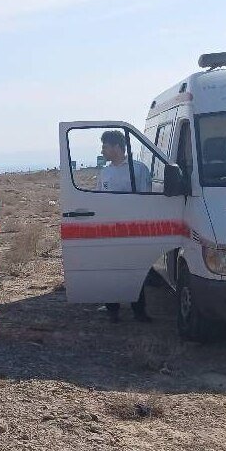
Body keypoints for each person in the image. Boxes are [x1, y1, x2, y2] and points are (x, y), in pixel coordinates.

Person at [97, 130, 152, 323]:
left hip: (133, 230)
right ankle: (113, 310)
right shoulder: (105, 172)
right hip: (110, 231)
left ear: (117, 147)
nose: (102, 151)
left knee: (135, 270)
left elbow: (146, 200)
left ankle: (139, 311)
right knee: (111, 271)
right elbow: (100, 200)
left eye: (105, 147)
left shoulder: (139, 169)